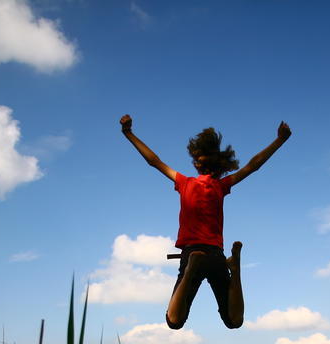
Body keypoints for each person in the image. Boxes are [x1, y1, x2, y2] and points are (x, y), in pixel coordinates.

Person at [119, 114, 291, 329]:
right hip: (217, 255)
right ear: (219, 165)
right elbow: (252, 166)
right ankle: (235, 269)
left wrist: (129, 134)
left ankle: (190, 270)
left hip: (192, 252)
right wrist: (280, 140)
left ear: (196, 161)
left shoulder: (184, 182)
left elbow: (154, 161)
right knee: (234, 321)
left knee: (174, 321)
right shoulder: (220, 186)